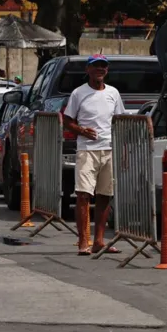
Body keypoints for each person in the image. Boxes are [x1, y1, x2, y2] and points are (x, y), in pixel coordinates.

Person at [63, 55, 125, 256]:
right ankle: (83, 240)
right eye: (96, 66)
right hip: (87, 150)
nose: (100, 69)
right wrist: (82, 131)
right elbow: (67, 121)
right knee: (83, 195)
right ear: (88, 69)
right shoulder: (78, 93)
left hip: (109, 149)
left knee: (105, 196)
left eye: (103, 66)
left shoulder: (113, 93)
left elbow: (119, 120)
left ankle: (99, 240)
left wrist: (122, 147)